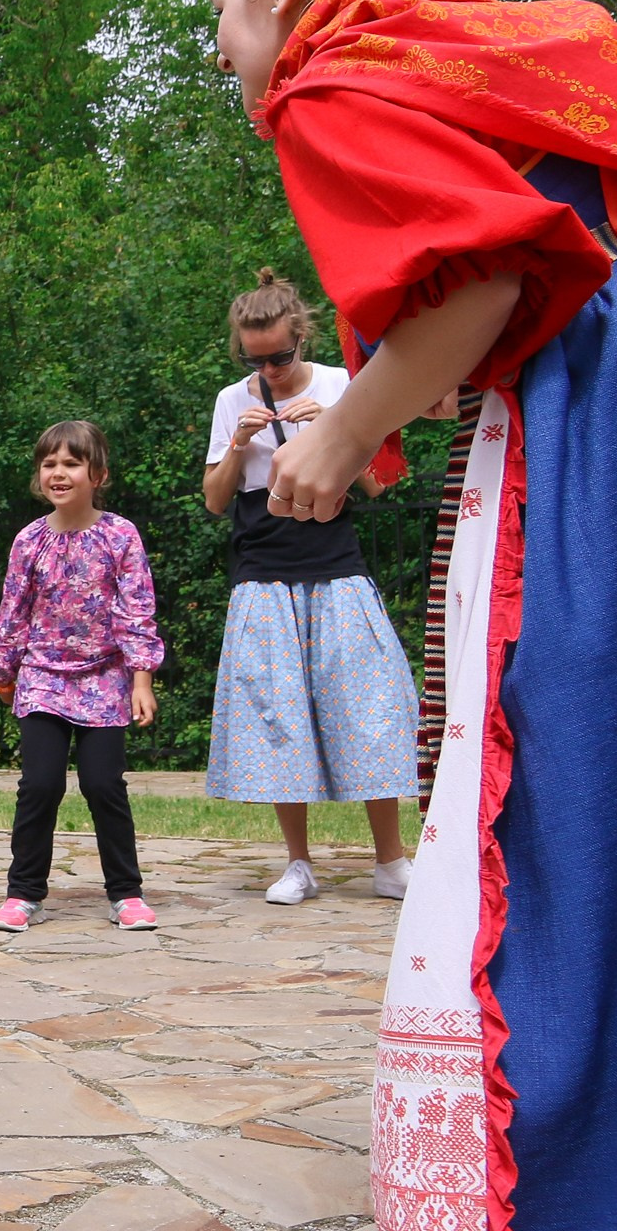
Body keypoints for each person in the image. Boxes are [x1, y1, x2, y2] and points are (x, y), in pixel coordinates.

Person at [205, 0, 617, 1231]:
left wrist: (333, 434)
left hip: (593, 458)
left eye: (221, 7)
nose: (222, 49)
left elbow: (489, 288)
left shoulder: (338, 82)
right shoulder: (534, 50)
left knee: (555, 840)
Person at [199, 271, 415, 906]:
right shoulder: (231, 399)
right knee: (278, 719)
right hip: (264, 577)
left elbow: (379, 484)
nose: (270, 368)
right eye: (255, 358)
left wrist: (339, 427)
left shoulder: (343, 384)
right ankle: (298, 864)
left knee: (367, 712)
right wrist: (239, 444)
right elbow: (216, 501)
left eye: (281, 356)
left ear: (302, 337)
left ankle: (390, 861)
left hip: (336, 567)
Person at [0, 422, 164, 933]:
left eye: (71, 463)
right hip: (41, 675)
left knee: (103, 783)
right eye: (49, 464)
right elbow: (13, 610)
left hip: (105, 678)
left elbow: (137, 610)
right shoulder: (29, 540)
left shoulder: (120, 535)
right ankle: (23, 894)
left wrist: (141, 679)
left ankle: (126, 894)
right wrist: (4, 669)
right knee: (39, 785)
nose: (58, 473)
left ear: (97, 474)